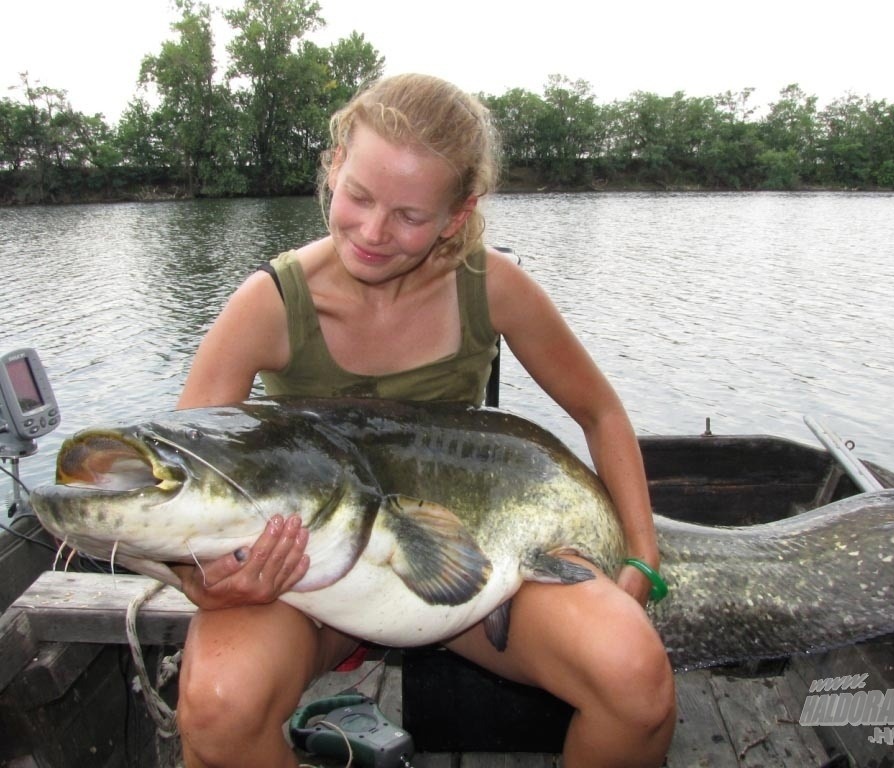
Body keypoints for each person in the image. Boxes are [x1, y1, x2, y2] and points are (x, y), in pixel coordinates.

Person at [172, 73, 676, 768]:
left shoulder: (494, 287)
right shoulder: (265, 304)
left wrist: (641, 560)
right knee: (216, 708)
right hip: (307, 578)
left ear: (457, 214)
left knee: (636, 682)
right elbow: (185, 472)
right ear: (334, 165)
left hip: (473, 573)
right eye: (358, 196)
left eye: (410, 216)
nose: (373, 232)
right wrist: (204, 579)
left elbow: (600, 411)